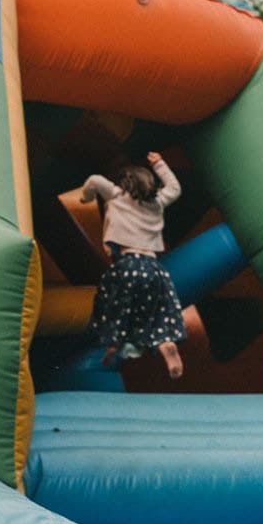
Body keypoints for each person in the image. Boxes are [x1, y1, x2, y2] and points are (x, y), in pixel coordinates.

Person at [80, 152, 187, 379]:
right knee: (158, 310)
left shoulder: (117, 195)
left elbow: (95, 180)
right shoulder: (157, 203)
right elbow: (175, 189)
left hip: (127, 264)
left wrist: (86, 197)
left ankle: (114, 342)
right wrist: (159, 164)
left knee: (115, 303)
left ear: (125, 183)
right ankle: (165, 342)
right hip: (153, 266)